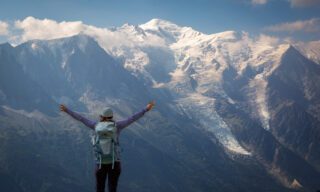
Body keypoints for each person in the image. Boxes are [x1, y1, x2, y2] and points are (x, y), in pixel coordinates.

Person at [60, 101, 155, 192]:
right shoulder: (117, 126)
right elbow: (132, 118)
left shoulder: (95, 125)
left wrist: (67, 110)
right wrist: (145, 109)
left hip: (100, 163)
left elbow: (81, 118)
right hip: (114, 162)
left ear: (101, 116)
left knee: (99, 188)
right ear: (112, 116)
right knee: (112, 188)